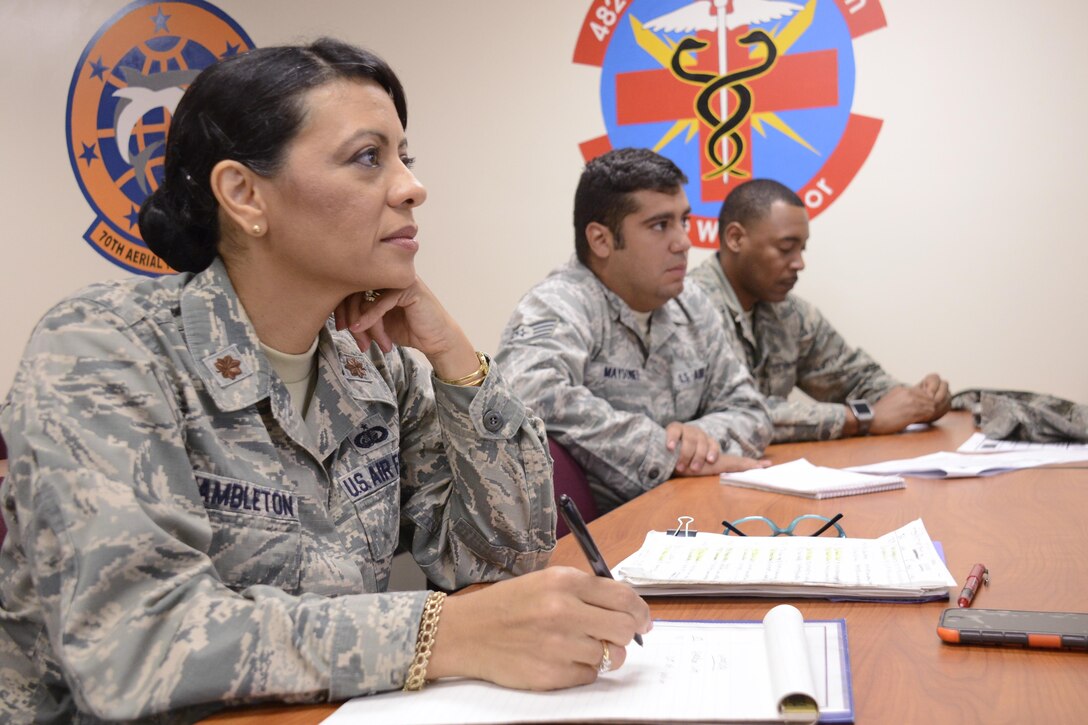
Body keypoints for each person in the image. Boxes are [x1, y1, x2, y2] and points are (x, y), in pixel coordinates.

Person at [0, 39, 649, 722]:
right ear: (245, 194)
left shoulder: (369, 363)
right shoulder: (102, 350)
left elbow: (502, 560)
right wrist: (440, 634)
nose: (411, 186)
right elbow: (138, 643)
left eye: (405, 157)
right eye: (369, 158)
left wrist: (455, 357)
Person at [495, 148, 772, 514]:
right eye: (660, 225)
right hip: (605, 536)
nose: (684, 242)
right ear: (601, 240)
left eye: (683, 221)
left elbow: (751, 410)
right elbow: (528, 398)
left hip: (690, 511)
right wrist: (664, 450)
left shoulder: (691, 302)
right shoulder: (559, 303)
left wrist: (696, 442)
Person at [689, 178, 951, 442]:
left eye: (801, 249)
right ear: (735, 238)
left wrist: (920, 399)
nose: (799, 263)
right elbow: (739, 413)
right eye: (785, 249)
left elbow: (854, 379)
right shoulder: (688, 311)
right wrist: (862, 418)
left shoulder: (789, 314)